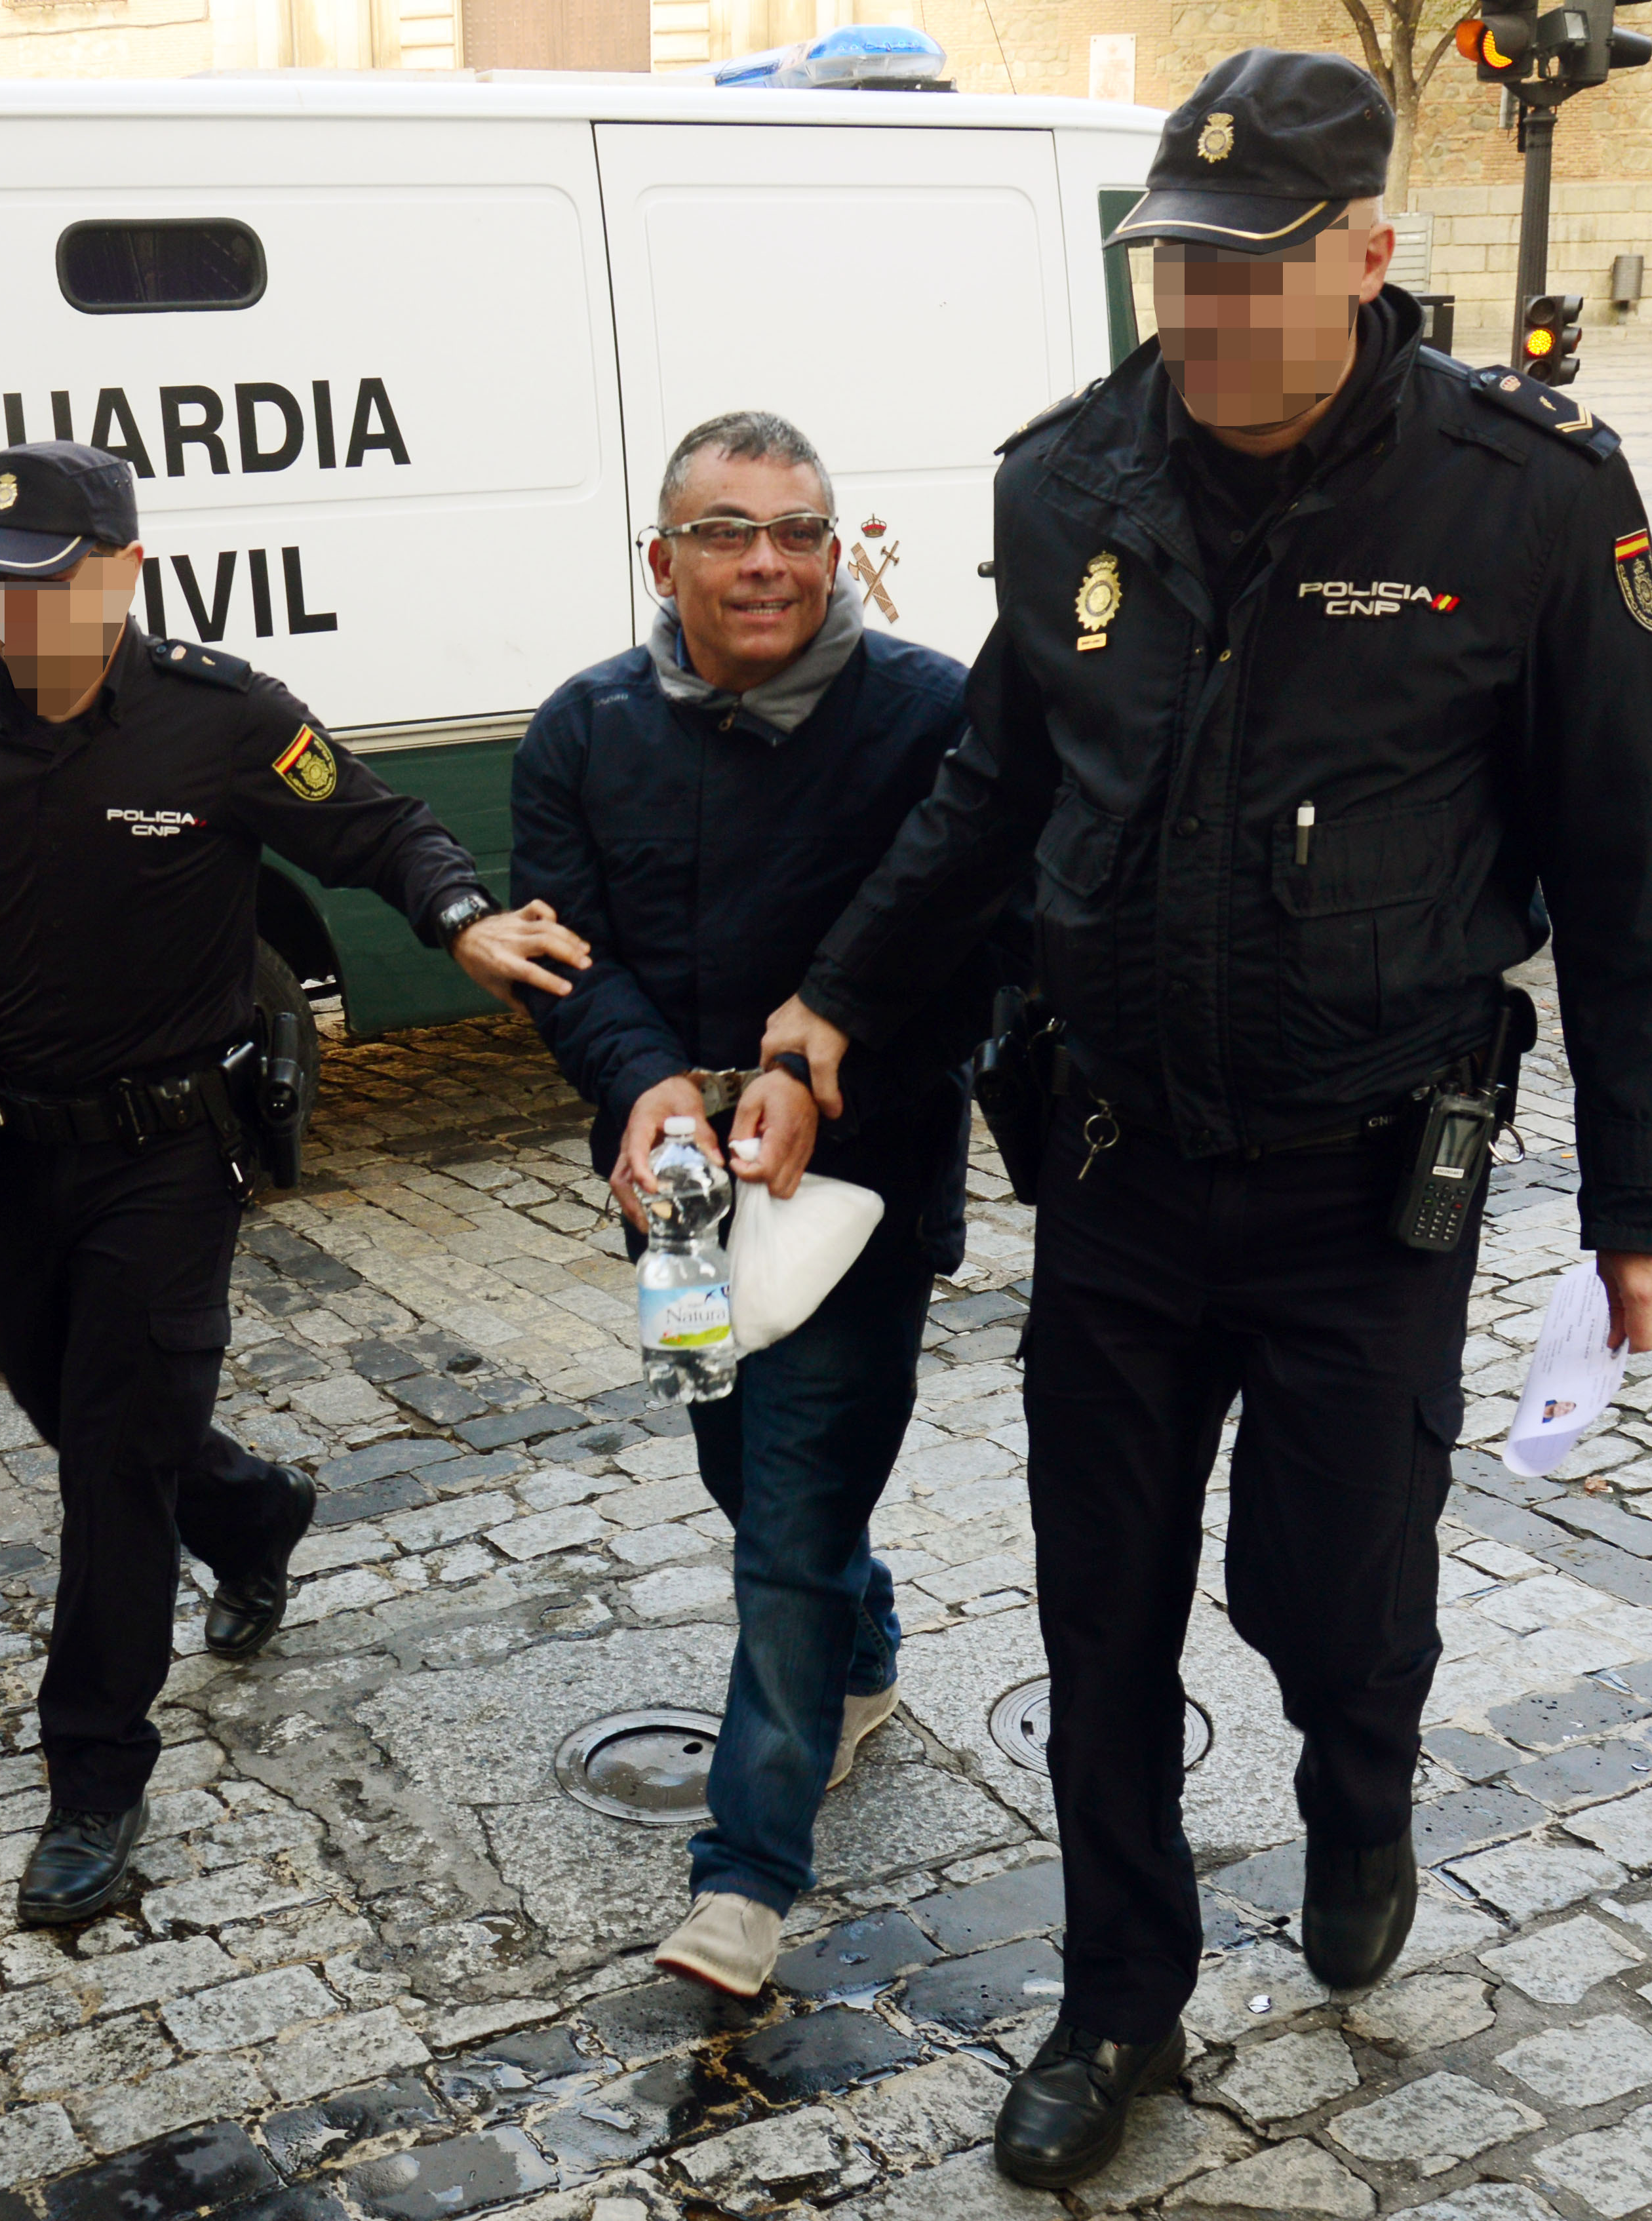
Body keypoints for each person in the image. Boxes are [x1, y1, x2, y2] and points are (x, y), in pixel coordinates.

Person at [749, 50, 1652, 2188]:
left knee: (1328, 1591)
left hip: (1363, 1188)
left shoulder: (1527, 494)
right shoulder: (1066, 478)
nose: (1195, 312)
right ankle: (1116, 2000)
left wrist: (1651, 1190)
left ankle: (1355, 1786)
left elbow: (1629, 859)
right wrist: (827, 996)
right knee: (1100, 1606)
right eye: (1169, 265)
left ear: (1367, 253)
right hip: (1108, 1172)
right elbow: (993, 781)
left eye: (1247, 269)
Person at [0, 440, 591, 1925]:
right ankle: (250, 1514)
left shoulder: (221, 717)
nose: (15, 616)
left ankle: (94, 1781)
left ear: (120, 570)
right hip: (19, 1145)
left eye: (43, 583)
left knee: (110, 1461)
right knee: (69, 1397)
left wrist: (458, 920)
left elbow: (378, 824)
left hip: (173, 1153)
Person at [511, 411, 1004, 1999]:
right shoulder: (582, 728)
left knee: (789, 1510)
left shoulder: (933, 715)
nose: (766, 561)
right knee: (732, 1454)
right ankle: (861, 1651)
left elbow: (973, 944)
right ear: (662, 557)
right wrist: (639, 1076)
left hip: (852, 1184)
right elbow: (570, 955)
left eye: (797, 528)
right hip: (672, 1202)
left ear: (836, 543)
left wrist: (835, 1048)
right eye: (727, 531)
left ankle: (745, 1872)